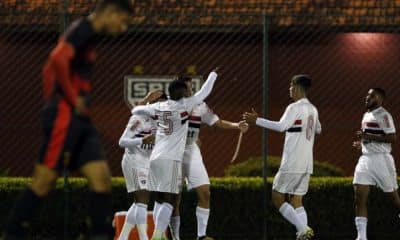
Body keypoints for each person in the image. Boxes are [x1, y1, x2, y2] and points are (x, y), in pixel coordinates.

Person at [4, 1, 131, 239]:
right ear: (111, 12)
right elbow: (57, 59)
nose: (122, 28)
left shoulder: (90, 36)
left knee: (101, 178)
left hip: (79, 119)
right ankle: (12, 234)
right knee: (43, 181)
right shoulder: (82, 29)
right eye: (122, 21)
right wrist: (71, 99)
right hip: (64, 115)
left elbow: (54, 67)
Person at [131, 68, 220, 240]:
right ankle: (157, 236)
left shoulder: (160, 105)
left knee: (160, 198)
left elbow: (136, 112)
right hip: (171, 159)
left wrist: (147, 100)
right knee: (170, 200)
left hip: (155, 158)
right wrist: (213, 75)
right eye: (188, 91)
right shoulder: (184, 105)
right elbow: (205, 91)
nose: (190, 92)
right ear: (184, 94)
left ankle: (161, 236)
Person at [163, 76, 248, 240]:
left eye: (190, 88)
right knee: (174, 197)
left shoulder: (200, 105)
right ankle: (175, 237)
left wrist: (236, 125)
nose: (190, 91)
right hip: (172, 152)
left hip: (191, 150)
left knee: (205, 192)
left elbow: (217, 122)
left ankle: (201, 236)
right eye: (187, 88)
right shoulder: (169, 105)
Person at [243, 75, 321, 240]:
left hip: (292, 161)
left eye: (290, 86)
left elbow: (281, 126)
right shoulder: (313, 109)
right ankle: (303, 235)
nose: (289, 89)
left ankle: (305, 230)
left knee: (277, 196)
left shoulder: (294, 107)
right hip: (307, 163)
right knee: (297, 201)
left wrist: (256, 120)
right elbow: (319, 129)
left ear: (297, 87)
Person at [118, 91, 168, 240]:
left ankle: (123, 237)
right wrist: (142, 141)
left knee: (139, 202)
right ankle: (143, 237)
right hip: (133, 160)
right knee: (142, 200)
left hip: (147, 162)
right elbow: (122, 142)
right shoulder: (138, 119)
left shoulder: (163, 121)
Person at [352, 88, 400, 240]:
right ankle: (361, 237)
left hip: (382, 159)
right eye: (367, 94)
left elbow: (392, 138)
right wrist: (362, 144)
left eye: (372, 95)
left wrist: (367, 136)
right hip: (366, 159)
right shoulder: (366, 115)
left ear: (380, 99)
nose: (367, 97)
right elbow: (369, 137)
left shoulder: (384, 115)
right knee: (359, 196)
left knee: (393, 198)